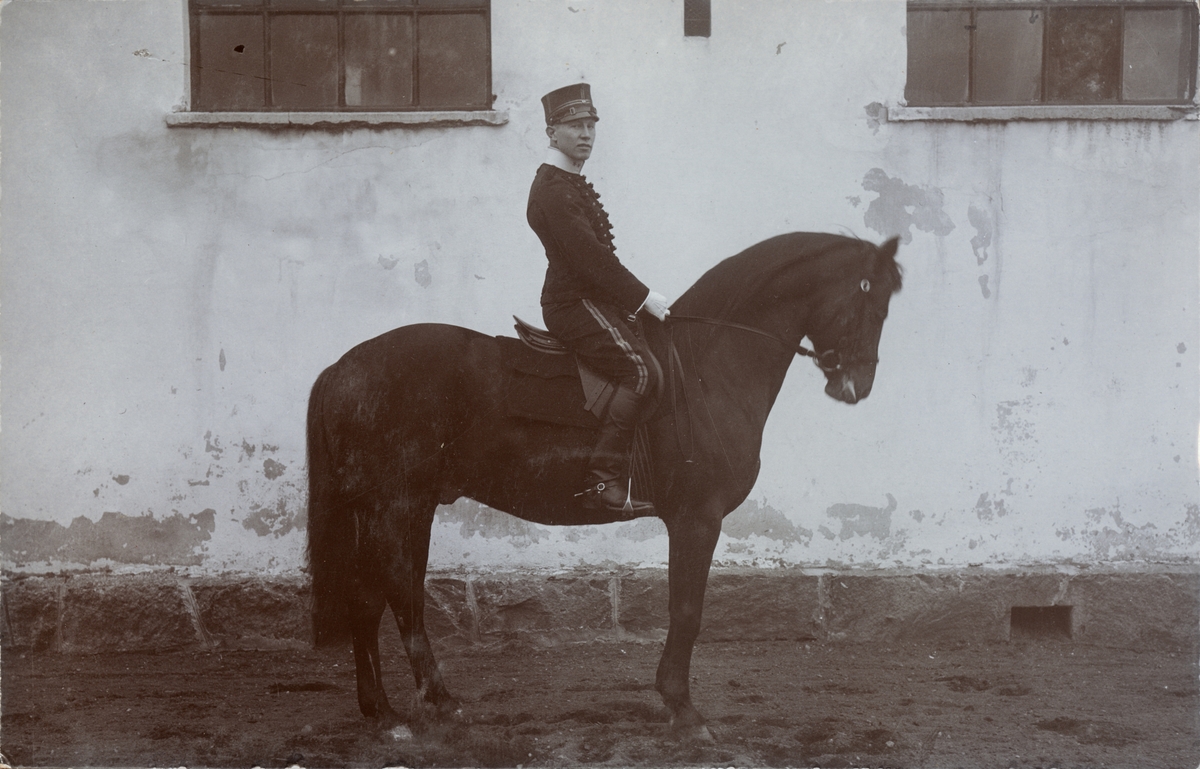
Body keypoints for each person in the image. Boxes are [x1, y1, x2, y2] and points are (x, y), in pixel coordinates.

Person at [526, 83, 670, 516]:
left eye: (590, 125)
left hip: (591, 300)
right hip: (572, 304)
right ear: (552, 132)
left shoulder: (569, 181)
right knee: (641, 372)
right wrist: (644, 298)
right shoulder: (552, 189)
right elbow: (590, 259)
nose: (586, 134)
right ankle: (601, 481)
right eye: (575, 126)